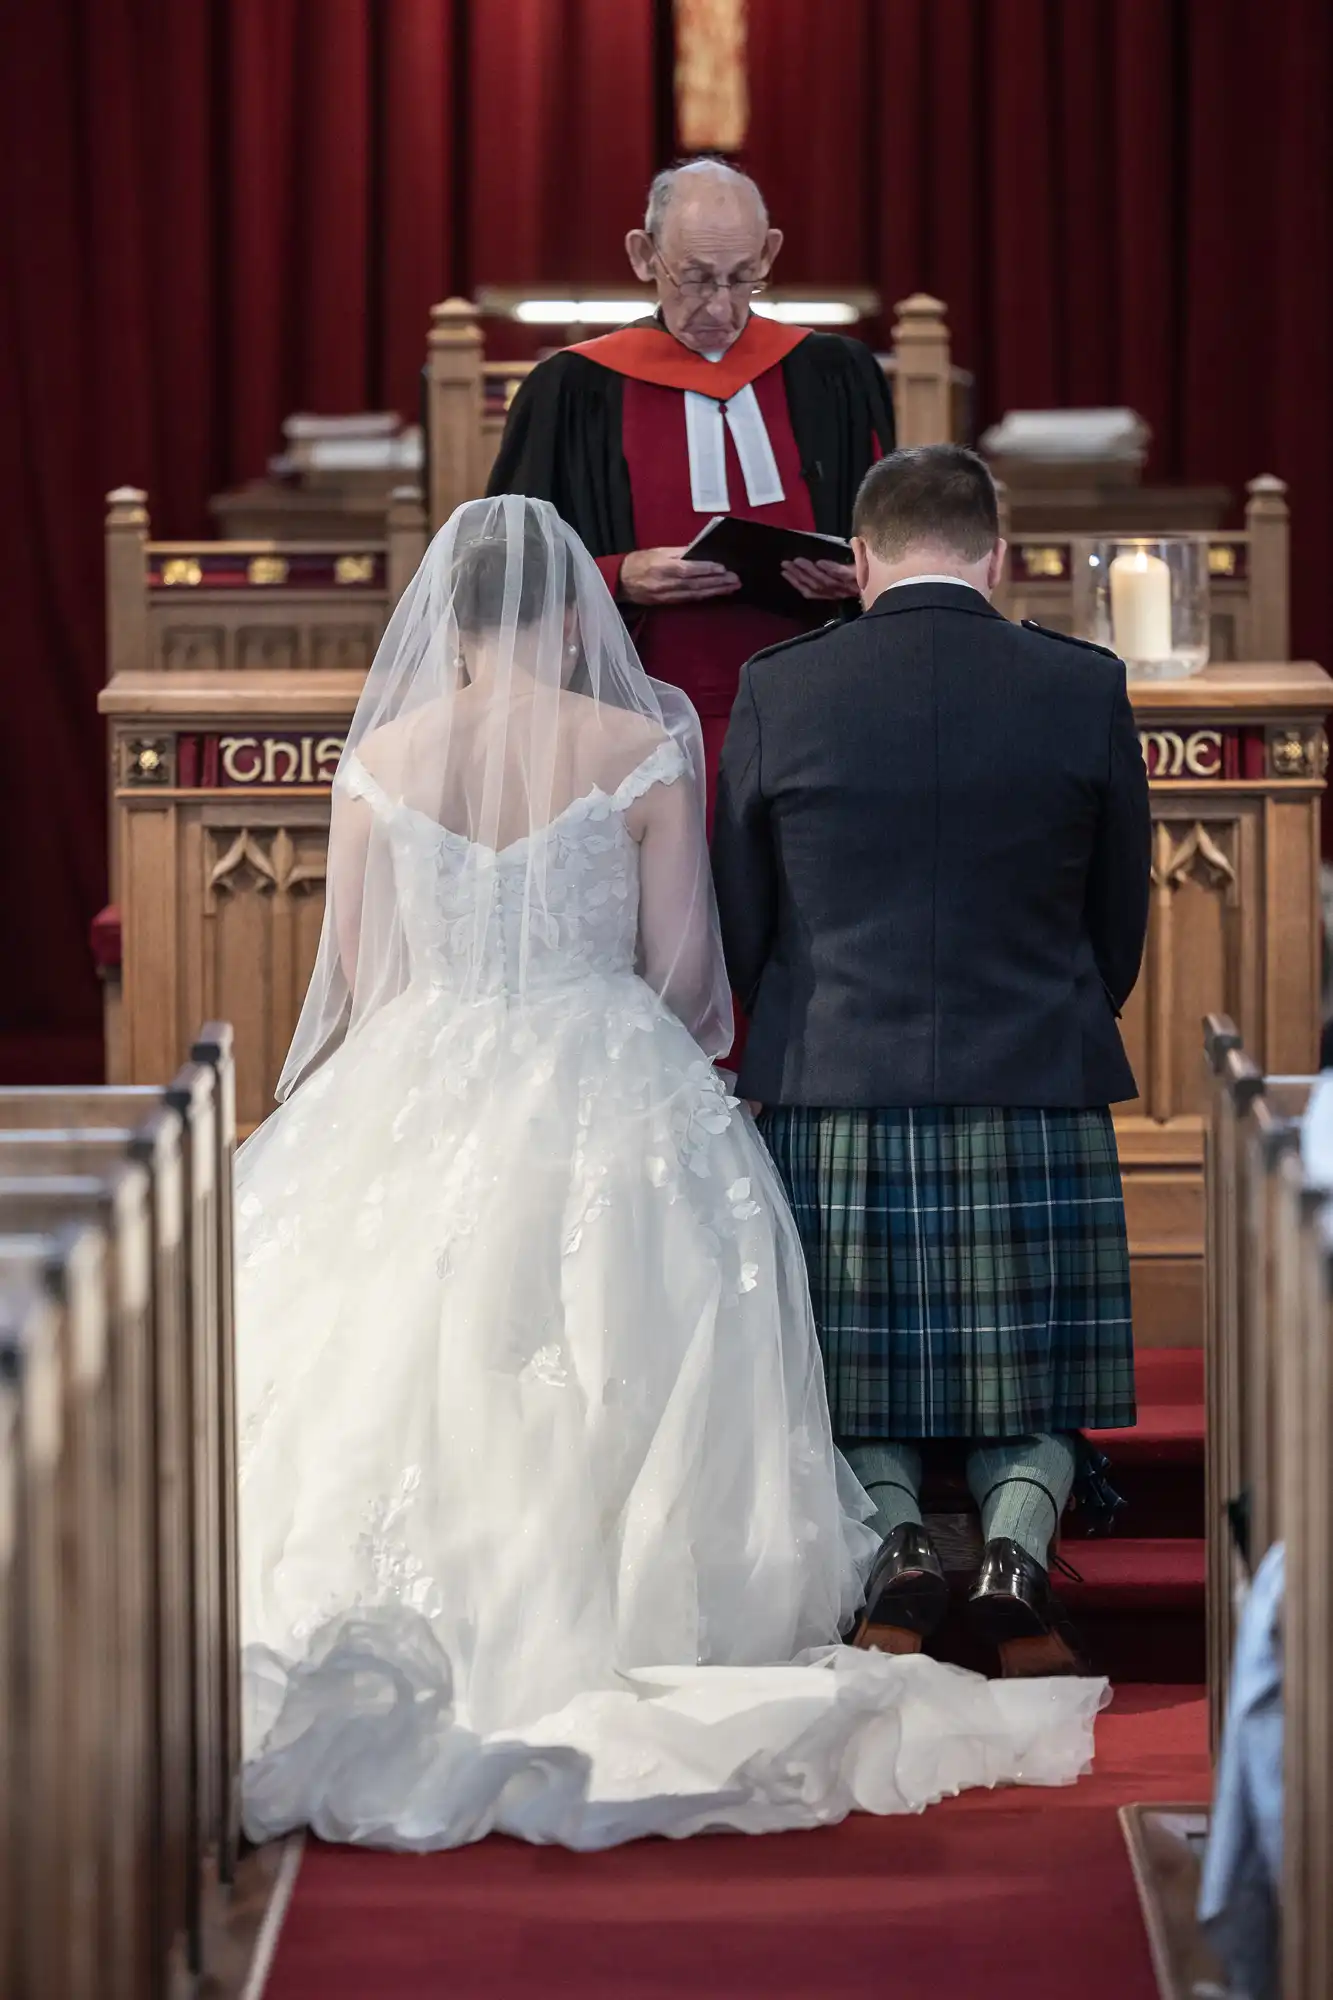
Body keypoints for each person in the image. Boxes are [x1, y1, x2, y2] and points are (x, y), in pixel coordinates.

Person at [235, 494, 1106, 1853]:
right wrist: (633, 1035)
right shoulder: (640, 748)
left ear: (450, 628)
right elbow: (691, 976)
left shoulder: (380, 765)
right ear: (574, 621)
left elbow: (355, 974)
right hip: (601, 1065)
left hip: (417, 1067)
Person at [713, 445, 1152, 1677]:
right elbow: (1119, 909)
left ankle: (900, 1546)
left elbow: (741, 909)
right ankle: (1015, 1553)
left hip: (835, 1076)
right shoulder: (1081, 683)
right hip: (1038, 1072)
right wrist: (1062, 1013)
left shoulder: (780, 686)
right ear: (995, 554)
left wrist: (789, 1031)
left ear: (856, 558)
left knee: (851, 1375)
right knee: (1037, 1367)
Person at [486, 159, 894, 820]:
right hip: (630, 720)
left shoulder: (833, 375)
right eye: (697, 278)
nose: (720, 307)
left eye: (743, 278)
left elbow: (891, 539)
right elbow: (499, 565)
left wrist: (862, 575)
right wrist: (616, 575)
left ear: (769, 252)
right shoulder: (572, 389)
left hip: (817, 719)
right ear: (644, 257)